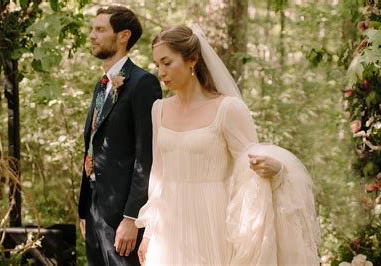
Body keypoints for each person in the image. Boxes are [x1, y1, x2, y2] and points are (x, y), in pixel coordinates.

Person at [135, 25, 320, 265]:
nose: (161, 71)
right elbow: (158, 174)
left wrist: (277, 170)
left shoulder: (227, 109)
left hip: (212, 218)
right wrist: (149, 232)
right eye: (157, 64)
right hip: (168, 225)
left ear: (192, 60)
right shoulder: (159, 109)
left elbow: (250, 164)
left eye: (167, 62)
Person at [78, 6, 162, 265]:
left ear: (123, 35)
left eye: (100, 29)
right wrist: (85, 210)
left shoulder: (143, 83)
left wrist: (132, 217)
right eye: (93, 29)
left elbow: (146, 155)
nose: (92, 35)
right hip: (95, 212)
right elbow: (93, 144)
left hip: (123, 217)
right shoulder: (102, 85)